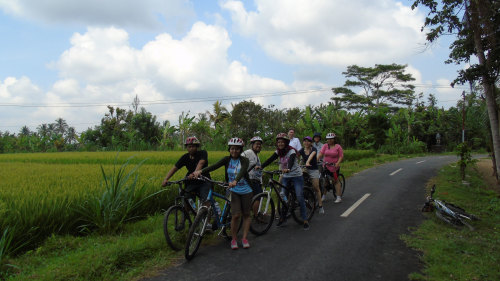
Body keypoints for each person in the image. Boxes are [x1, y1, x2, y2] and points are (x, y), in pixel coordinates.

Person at [191, 137, 253, 250]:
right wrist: (200, 171)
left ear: (241, 150)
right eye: (232, 148)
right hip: (233, 190)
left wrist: (235, 181)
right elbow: (214, 166)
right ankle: (234, 239)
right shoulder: (226, 159)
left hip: (246, 190)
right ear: (229, 149)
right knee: (235, 215)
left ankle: (244, 238)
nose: (234, 151)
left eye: (237, 149)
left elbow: (243, 171)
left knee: (246, 215)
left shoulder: (245, 160)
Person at [261, 133, 310, 230]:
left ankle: (305, 219)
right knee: (283, 196)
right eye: (278, 142)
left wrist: (288, 168)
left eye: (282, 142)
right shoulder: (278, 151)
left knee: (300, 196)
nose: (280, 144)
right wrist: (261, 166)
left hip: (296, 176)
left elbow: (291, 161)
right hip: (286, 176)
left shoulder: (291, 150)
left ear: (286, 142)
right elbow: (270, 159)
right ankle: (283, 218)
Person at [161, 136, 212, 207]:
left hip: (204, 180)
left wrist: (194, 173)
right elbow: (175, 168)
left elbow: (201, 163)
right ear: (187, 147)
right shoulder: (185, 157)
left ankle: (208, 214)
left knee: (205, 201)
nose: (191, 148)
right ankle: (187, 216)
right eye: (189, 147)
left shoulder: (203, 153)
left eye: (193, 146)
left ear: (197, 147)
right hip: (191, 182)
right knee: (186, 201)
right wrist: (166, 179)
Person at [299, 136, 324, 214]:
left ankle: (320, 205)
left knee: (316, 187)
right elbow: (297, 157)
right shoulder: (301, 150)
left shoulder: (314, 149)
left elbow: (311, 156)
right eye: (305, 141)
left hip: (313, 169)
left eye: (308, 141)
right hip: (305, 168)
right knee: (300, 183)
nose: (306, 143)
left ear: (311, 143)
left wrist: (307, 162)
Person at [317, 133, 344, 203]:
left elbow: (341, 156)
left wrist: (337, 163)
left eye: (331, 139)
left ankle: (338, 197)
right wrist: (316, 159)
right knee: (325, 181)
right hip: (325, 165)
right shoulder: (325, 146)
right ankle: (323, 196)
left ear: (334, 139)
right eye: (328, 139)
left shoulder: (338, 147)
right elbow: (320, 153)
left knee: (335, 181)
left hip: (334, 167)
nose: (329, 140)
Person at [241, 136, 264, 215]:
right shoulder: (248, 153)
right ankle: (256, 215)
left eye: (260, 144)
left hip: (255, 180)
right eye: (257, 144)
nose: (259, 146)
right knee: (257, 198)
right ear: (252, 145)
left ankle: (254, 214)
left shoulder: (256, 155)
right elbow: (240, 161)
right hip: (251, 180)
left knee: (254, 198)